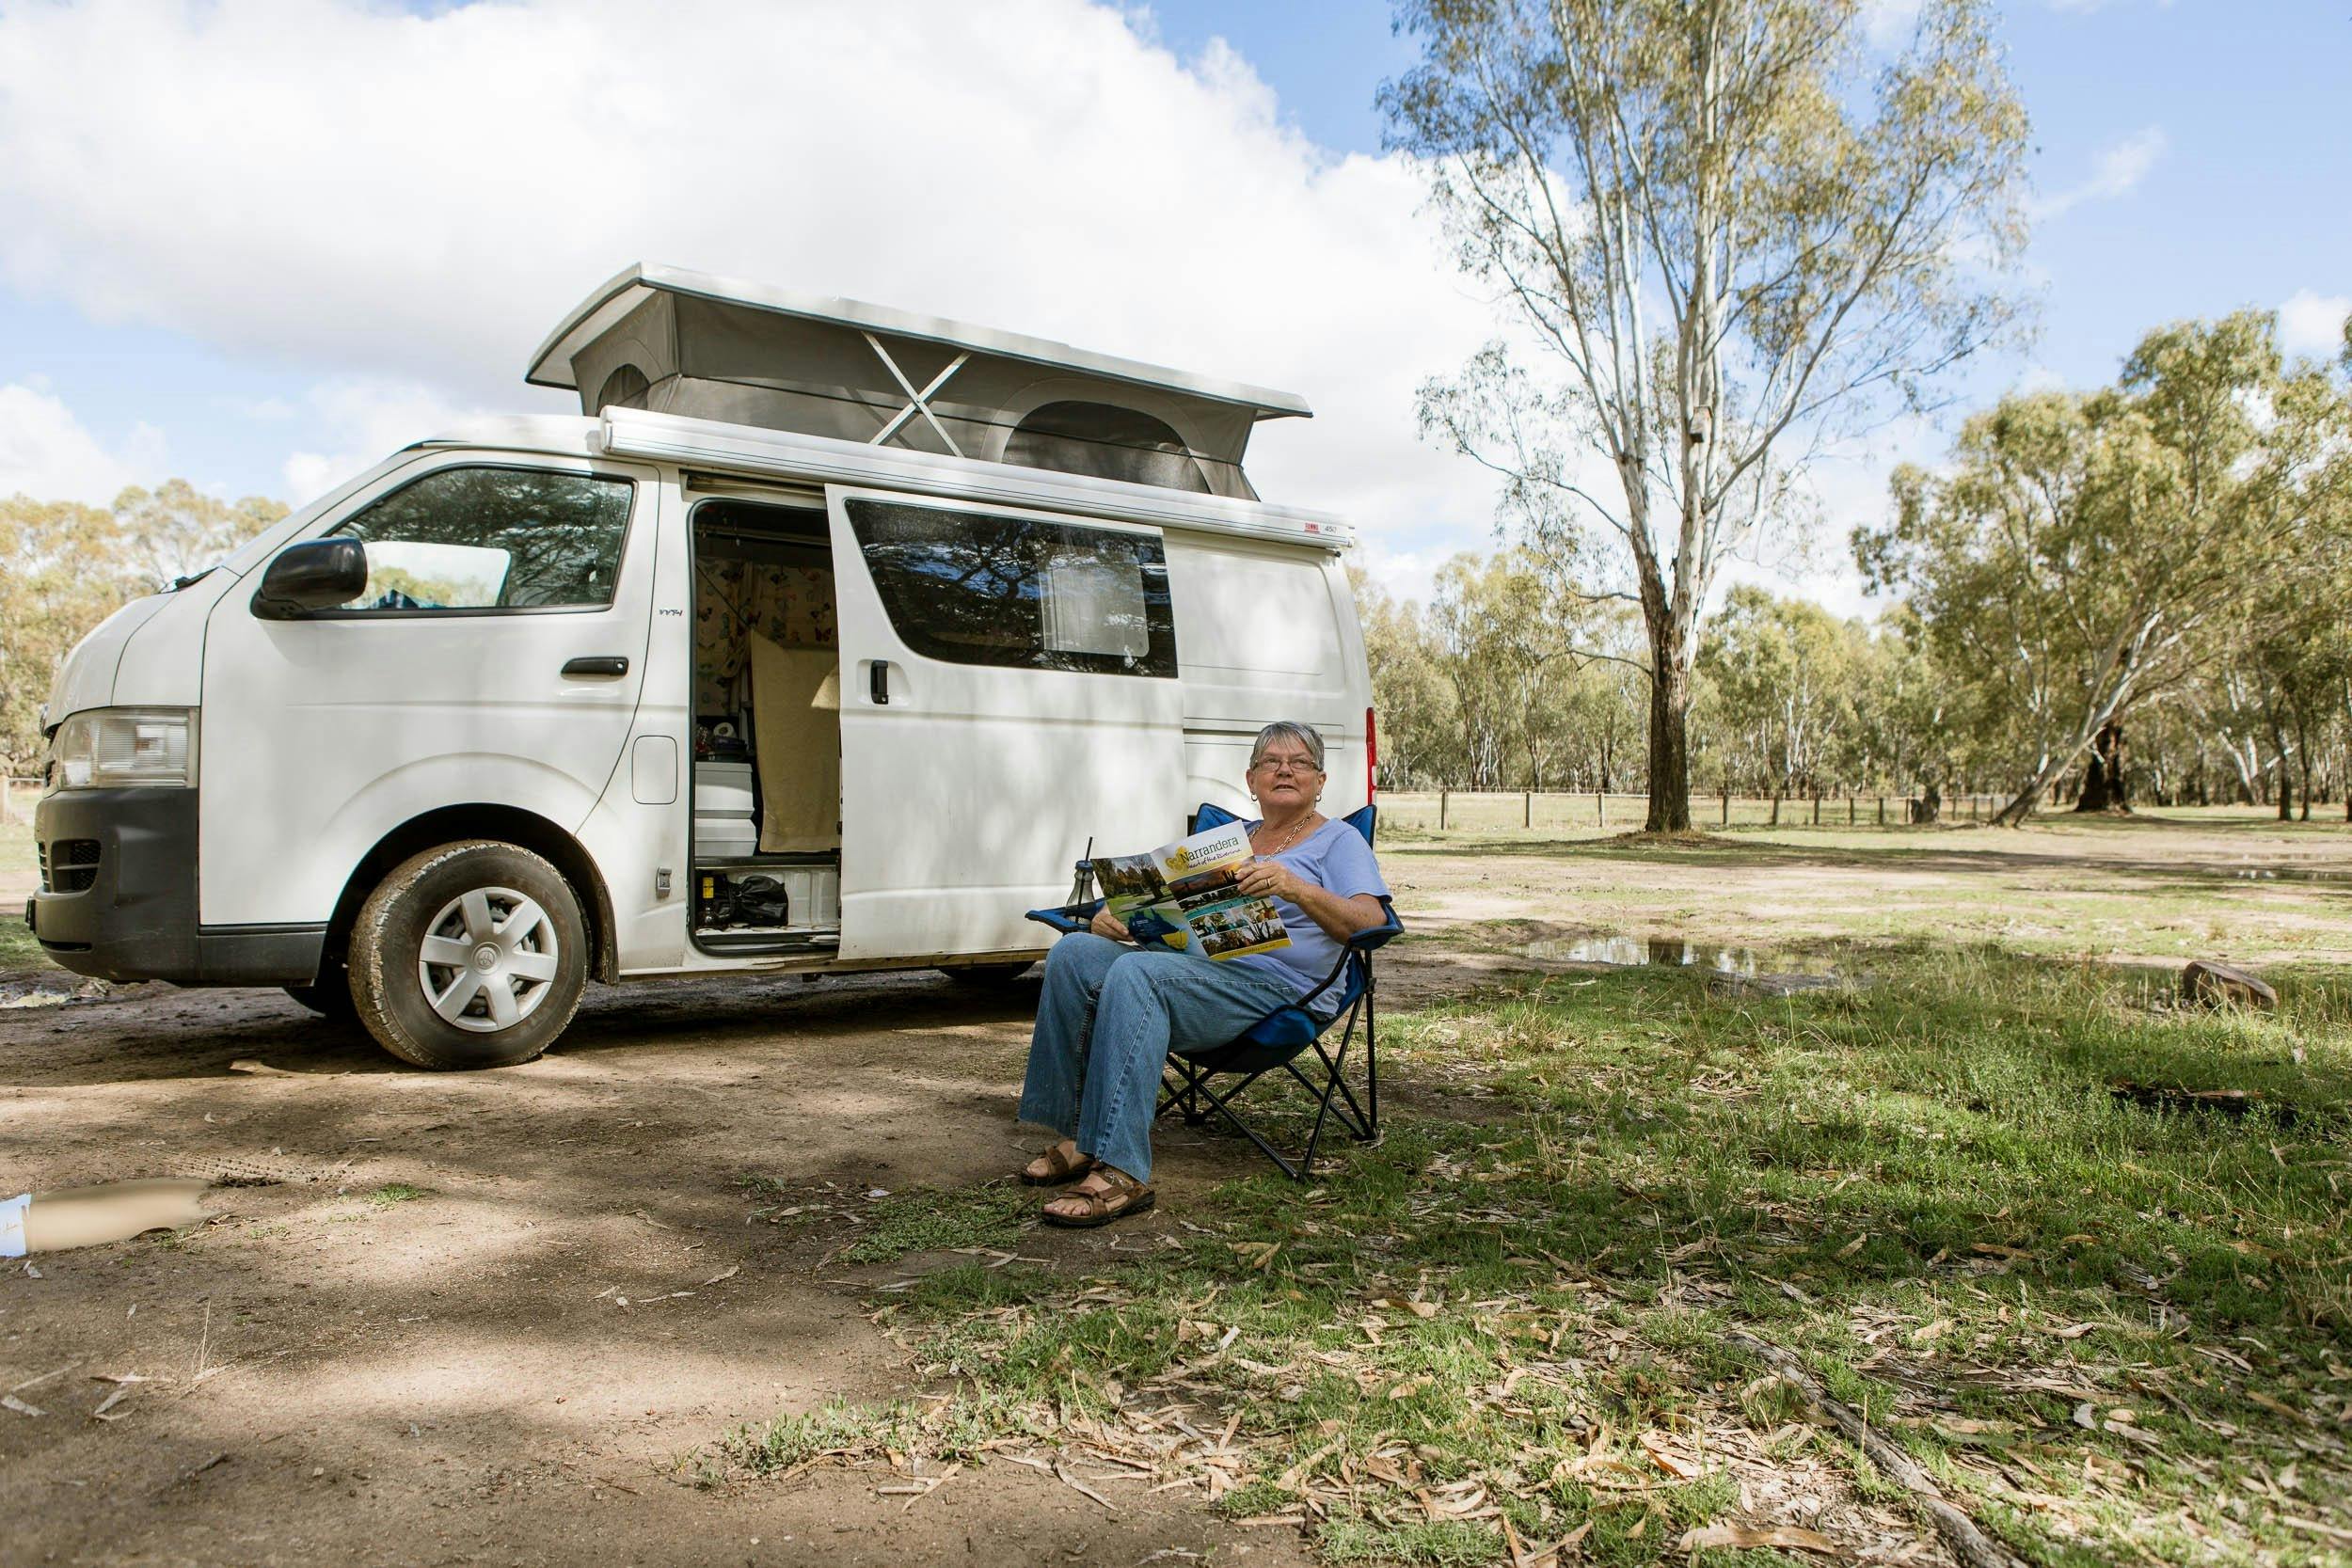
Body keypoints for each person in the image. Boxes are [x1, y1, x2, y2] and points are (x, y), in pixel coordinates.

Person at [1015, 721, 1391, 1227]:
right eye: (1270, 762)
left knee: (1138, 975)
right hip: (1201, 973)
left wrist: (1296, 888)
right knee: (1074, 954)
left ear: (1320, 781)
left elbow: (1372, 922)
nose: (1284, 770)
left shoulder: (1338, 842)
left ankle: (1122, 1169)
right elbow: (1172, 914)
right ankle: (1082, 1137)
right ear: (1250, 779)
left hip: (1279, 991)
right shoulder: (1224, 843)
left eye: (1300, 762)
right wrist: (1124, 919)